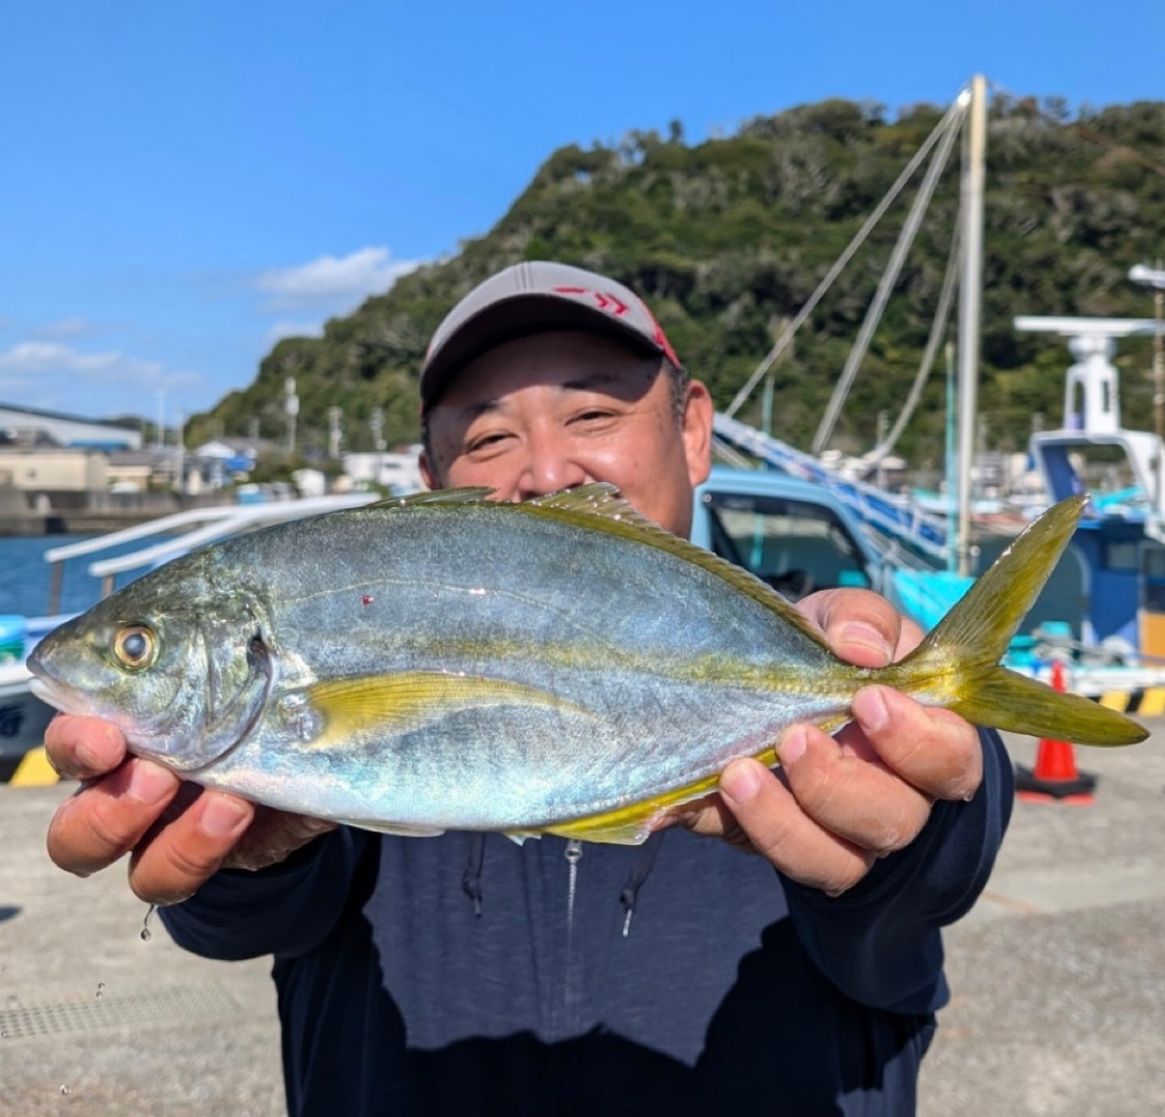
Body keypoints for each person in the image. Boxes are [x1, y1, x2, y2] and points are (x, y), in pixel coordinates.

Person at [44, 261, 1011, 1116]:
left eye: (593, 415)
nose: (547, 470)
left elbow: (925, 886)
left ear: (696, 431)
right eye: (486, 436)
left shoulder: (812, 643)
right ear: (429, 486)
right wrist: (245, 864)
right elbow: (266, 911)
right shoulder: (365, 653)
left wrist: (922, 817)